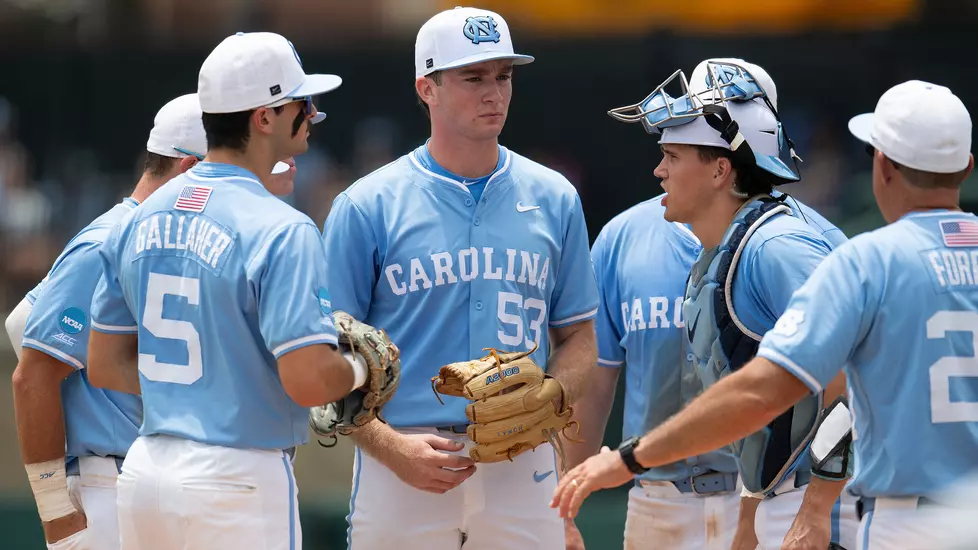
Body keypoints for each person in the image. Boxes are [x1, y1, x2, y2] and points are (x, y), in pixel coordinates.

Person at [552, 79, 978, 550]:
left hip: (899, 517)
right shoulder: (691, 241)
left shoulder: (859, 259)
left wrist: (630, 458)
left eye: (672, 156)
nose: (659, 170)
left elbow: (770, 392)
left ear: (883, 165)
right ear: (966, 167)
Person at [321, 6, 598, 549]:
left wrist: (553, 394)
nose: (493, 92)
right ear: (427, 87)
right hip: (403, 458)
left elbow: (581, 336)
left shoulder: (554, 197)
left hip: (523, 461)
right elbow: (327, 360)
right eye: (473, 77)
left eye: (504, 75)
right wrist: (386, 446)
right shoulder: (366, 205)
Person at [85, 32, 374, 549]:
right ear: (264, 117)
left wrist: (197, 391)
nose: (311, 113)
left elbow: (105, 364)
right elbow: (308, 383)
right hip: (236, 477)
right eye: (300, 103)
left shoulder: (140, 216)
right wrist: (361, 368)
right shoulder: (282, 227)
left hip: (145, 470)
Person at [558, 59, 858, 549]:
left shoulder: (782, 246)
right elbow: (598, 383)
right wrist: (568, 500)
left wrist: (815, 506)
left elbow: (845, 382)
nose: (658, 169)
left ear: (722, 167)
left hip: (794, 497)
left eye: (672, 154)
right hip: (682, 498)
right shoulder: (640, 239)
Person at [6, 93, 208, 550]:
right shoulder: (111, 237)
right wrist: (55, 508)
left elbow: (22, 321)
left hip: (156, 484)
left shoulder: (157, 236)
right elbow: (32, 373)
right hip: (108, 488)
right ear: (189, 170)